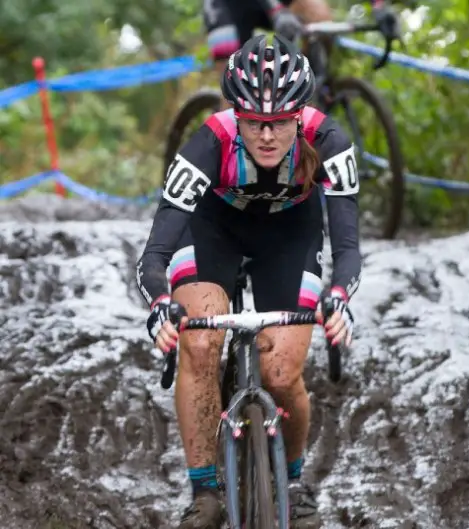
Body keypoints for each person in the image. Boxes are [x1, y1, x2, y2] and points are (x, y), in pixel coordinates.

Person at [136, 34, 361, 529]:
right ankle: (205, 493)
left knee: (281, 373)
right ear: (235, 114)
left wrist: (340, 298)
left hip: (289, 236)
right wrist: (158, 303)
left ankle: (295, 486)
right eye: (254, 123)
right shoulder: (208, 143)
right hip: (214, 231)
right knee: (200, 342)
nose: (265, 135)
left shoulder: (330, 143)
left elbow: (346, 246)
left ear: (299, 116)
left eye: (279, 123)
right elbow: (153, 254)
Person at [204, 0, 402, 109]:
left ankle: (309, 93)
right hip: (228, 6)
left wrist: (379, 8)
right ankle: (228, 171)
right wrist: (277, 11)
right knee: (236, 87)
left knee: (320, 16)